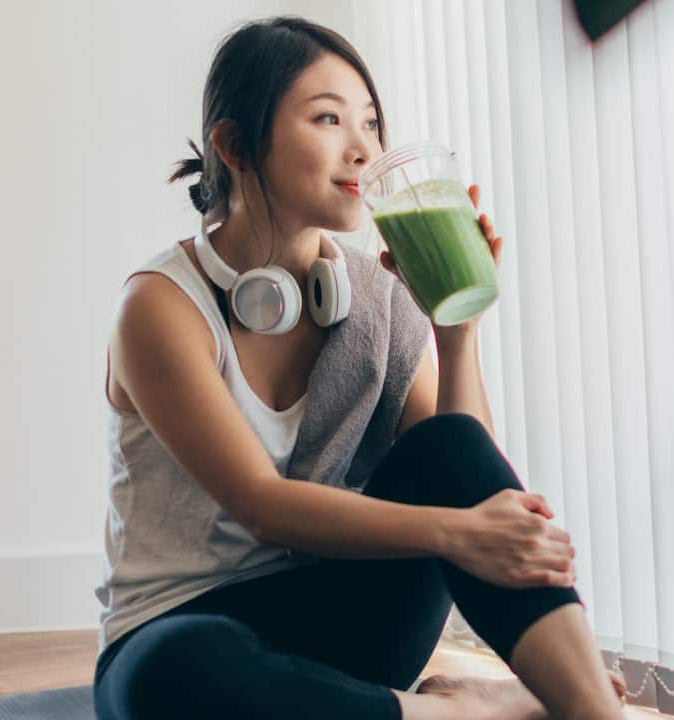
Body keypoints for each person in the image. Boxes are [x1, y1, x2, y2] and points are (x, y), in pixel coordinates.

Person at [92, 15, 626, 720]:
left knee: (446, 442)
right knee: (170, 678)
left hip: (338, 618)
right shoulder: (161, 308)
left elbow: (460, 462)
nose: (363, 149)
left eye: (371, 124)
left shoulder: (376, 291)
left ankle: (590, 709)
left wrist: (454, 332)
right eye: (328, 119)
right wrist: (455, 533)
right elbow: (260, 503)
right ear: (233, 145)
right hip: (181, 625)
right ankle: (479, 713)